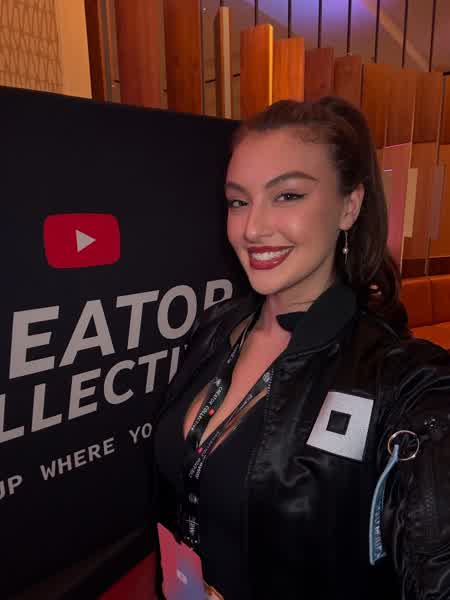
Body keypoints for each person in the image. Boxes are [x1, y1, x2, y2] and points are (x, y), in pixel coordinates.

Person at [154, 97, 450, 599]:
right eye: (238, 201)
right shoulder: (216, 328)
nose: (252, 229)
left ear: (349, 206)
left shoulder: (402, 378)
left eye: (287, 195)